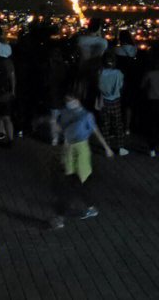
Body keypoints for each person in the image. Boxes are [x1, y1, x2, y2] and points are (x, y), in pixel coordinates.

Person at [49, 92, 113, 230]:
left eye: (71, 100)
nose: (69, 102)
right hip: (69, 149)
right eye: (67, 100)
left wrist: (106, 147)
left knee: (72, 185)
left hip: (81, 151)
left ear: (78, 100)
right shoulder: (65, 113)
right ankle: (91, 207)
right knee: (78, 183)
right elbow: (60, 130)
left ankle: (60, 217)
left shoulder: (86, 116)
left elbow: (95, 131)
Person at [96, 53, 128, 155]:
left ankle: (107, 147)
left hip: (104, 100)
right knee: (118, 124)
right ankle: (121, 147)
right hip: (115, 100)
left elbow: (97, 86)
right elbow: (120, 86)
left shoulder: (100, 73)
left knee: (105, 124)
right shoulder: (118, 73)